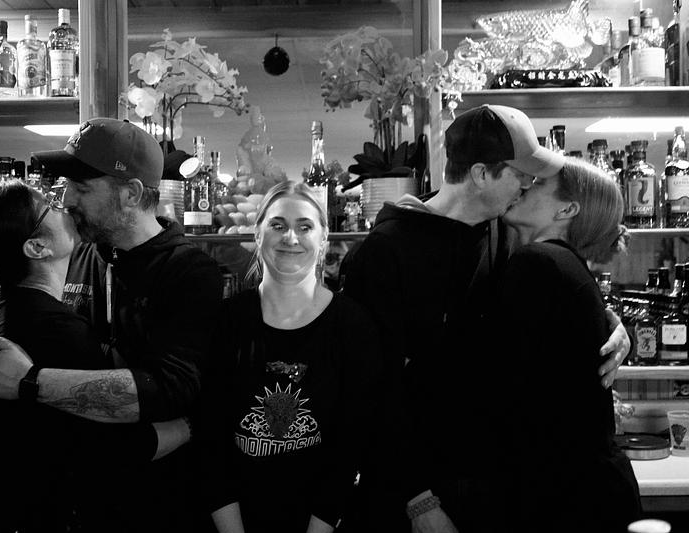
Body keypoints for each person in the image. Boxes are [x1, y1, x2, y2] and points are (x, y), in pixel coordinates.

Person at [342, 104, 631, 533]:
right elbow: (372, 390)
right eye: (521, 175)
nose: (528, 185)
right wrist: (419, 502)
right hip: (415, 494)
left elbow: (554, 311)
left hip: (490, 490)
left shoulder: (506, 233)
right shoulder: (384, 254)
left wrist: (610, 324)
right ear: (481, 174)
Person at [0, 118, 223, 532]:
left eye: (81, 186)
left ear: (130, 194)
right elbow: (5, 312)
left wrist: (29, 382)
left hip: (153, 506)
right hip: (74, 504)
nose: (66, 198)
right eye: (65, 184)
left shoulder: (189, 272)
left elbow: (169, 390)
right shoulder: (73, 251)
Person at [0, 180, 157, 532]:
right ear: (37, 247)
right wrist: (189, 428)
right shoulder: (57, 329)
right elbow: (106, 447)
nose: (64, 204)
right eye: (50, 205)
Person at [200, 181, 380, 533]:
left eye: (305, 227)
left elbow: (350, 448)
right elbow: (210, 441)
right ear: (257, 234)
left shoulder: (354, 326)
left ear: (323, 239)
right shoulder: (226, 321)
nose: (290, 238)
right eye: (278, 225)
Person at [499, 158, 641, 532]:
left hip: (569, 497)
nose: (524, 186)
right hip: (589, 490)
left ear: (567, 210)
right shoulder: (564, 266)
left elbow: (499, 380)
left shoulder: (537, 262)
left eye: (537, 184)